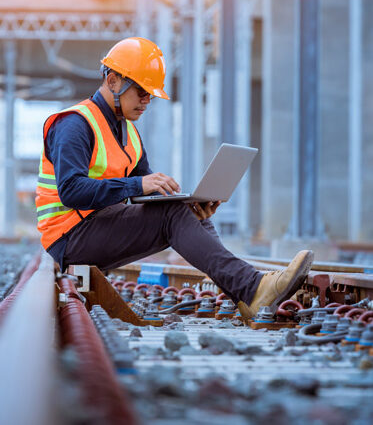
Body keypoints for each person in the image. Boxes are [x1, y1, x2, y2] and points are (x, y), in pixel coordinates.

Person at [36, 37, 313, 320]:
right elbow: (71, 191)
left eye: (151, 95)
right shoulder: (74, 124)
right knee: (171, 214)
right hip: (70, 238)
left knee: (187, 213)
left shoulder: (128, 132)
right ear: (113, 81)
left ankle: (248, 295)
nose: (146, 101)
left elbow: (144, 193)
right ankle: (253, 287)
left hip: (99, 226)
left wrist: (189, 204)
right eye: (142, 91)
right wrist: (139, 185)